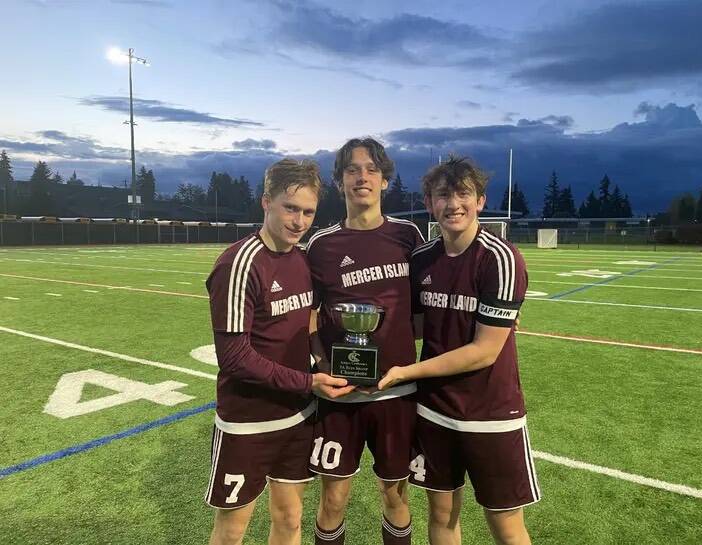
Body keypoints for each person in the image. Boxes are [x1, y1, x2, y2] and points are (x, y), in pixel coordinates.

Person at [379, 156, 540, 545]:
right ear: (431, 204)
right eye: (443, 195)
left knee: (505, 524)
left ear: (481, 201)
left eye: (463, 193)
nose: (453, 204)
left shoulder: (500, 259)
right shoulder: (422, 259)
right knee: (442, 515)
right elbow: (416, 327)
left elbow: (484, 352)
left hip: (490, 412)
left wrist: (405, 373)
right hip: (435, 411)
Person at [205, 158, 354, 545]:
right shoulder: (238, 264)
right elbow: (235, 358)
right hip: (248, 421)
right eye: (291, 208)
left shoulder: (302, 260)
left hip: (298, 415)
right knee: (232, 529)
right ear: (266, 202)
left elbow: (313, 320)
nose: (300, 221)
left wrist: (322, 361)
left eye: (308, 212)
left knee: (290, 519)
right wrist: (308, 381)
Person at [306, 138, 424, 545]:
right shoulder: (321, 245)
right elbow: (308, 312)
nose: (362, 177)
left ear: (385, 180)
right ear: (339, 181)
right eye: (352, 170)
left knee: (395, 495)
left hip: (398, 392)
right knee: (334, 499)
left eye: (372, 169)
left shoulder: (409, 236)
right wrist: (322, 364)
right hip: (340, 396)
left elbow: (430, 301)